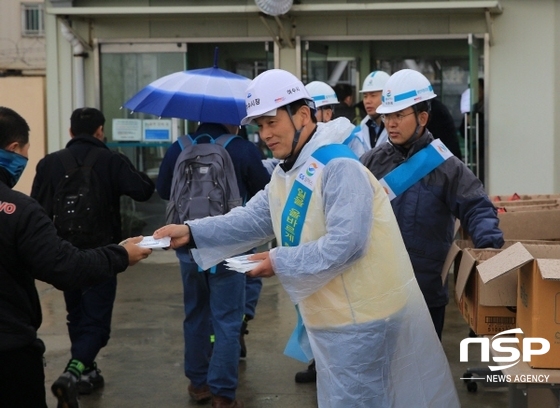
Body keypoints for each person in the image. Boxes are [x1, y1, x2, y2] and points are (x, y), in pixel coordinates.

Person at [153, 69, 460, 408]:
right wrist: (192, 231)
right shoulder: (291, 169)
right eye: (260, 126)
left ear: (301, 115)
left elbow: (348, 243)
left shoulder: (339, 167)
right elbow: (254, 217)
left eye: (272, 122)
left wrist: (277, 261)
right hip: (335, 316)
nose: (266, 134)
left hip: (363, 317)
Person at [0, 106, 152, 408]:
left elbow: (41, 205)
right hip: (12, 351)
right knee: (95, 322)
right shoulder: (19, 210)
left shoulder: (50, 164)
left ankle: (86, 367)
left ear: (70, 132)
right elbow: (144, 190)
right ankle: (74, 372)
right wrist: (121, 254)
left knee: (76, 316)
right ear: (100, 131)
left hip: (60, 243)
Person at [360, 69, 503, 339]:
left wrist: (489, 248)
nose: (390, 123)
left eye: (399, 115)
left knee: (422, 377)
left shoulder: (447, 167)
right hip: (375, 290)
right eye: (387, 115)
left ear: (422, 118)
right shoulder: (369, 162)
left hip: (424, 293)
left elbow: (477, 207)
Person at [156, 121, 270, 408]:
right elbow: (266, 193)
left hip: (188, 246)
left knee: (195, 314)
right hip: (230, 249)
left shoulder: (179, 147)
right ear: (232, 119)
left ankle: (198, 383)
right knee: (227, 320)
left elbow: (162, 190)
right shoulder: (242, 149)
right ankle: (223, 394)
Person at [350, 70, 391, 157]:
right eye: (365, 96)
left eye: (373, 95)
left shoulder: (399, 129)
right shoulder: (358, 131)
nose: (367, 101)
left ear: (387, 96)